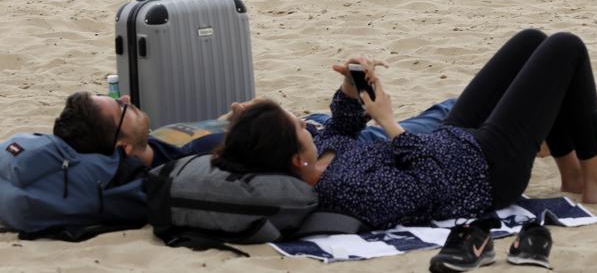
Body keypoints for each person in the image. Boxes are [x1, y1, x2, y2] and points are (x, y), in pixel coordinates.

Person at [215, 29, 597, 269]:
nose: (304, 121)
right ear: (296, 158)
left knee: (530, 40)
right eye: (297, 123)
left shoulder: (321, 156)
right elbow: (430, 187)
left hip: (451, 142)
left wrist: (353, 84)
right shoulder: (346, 190)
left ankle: (573, 175)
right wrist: (390, 124)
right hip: (483, 169)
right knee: (565, 47)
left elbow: (342, 124)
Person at [51, 91, 455, 171]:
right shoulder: (178, 171)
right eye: (120, 109)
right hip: (338, 143)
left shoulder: (159, 143)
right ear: (122, 147)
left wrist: (239, 119)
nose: (126, 101)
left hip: (312, 126)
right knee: (452, 113)